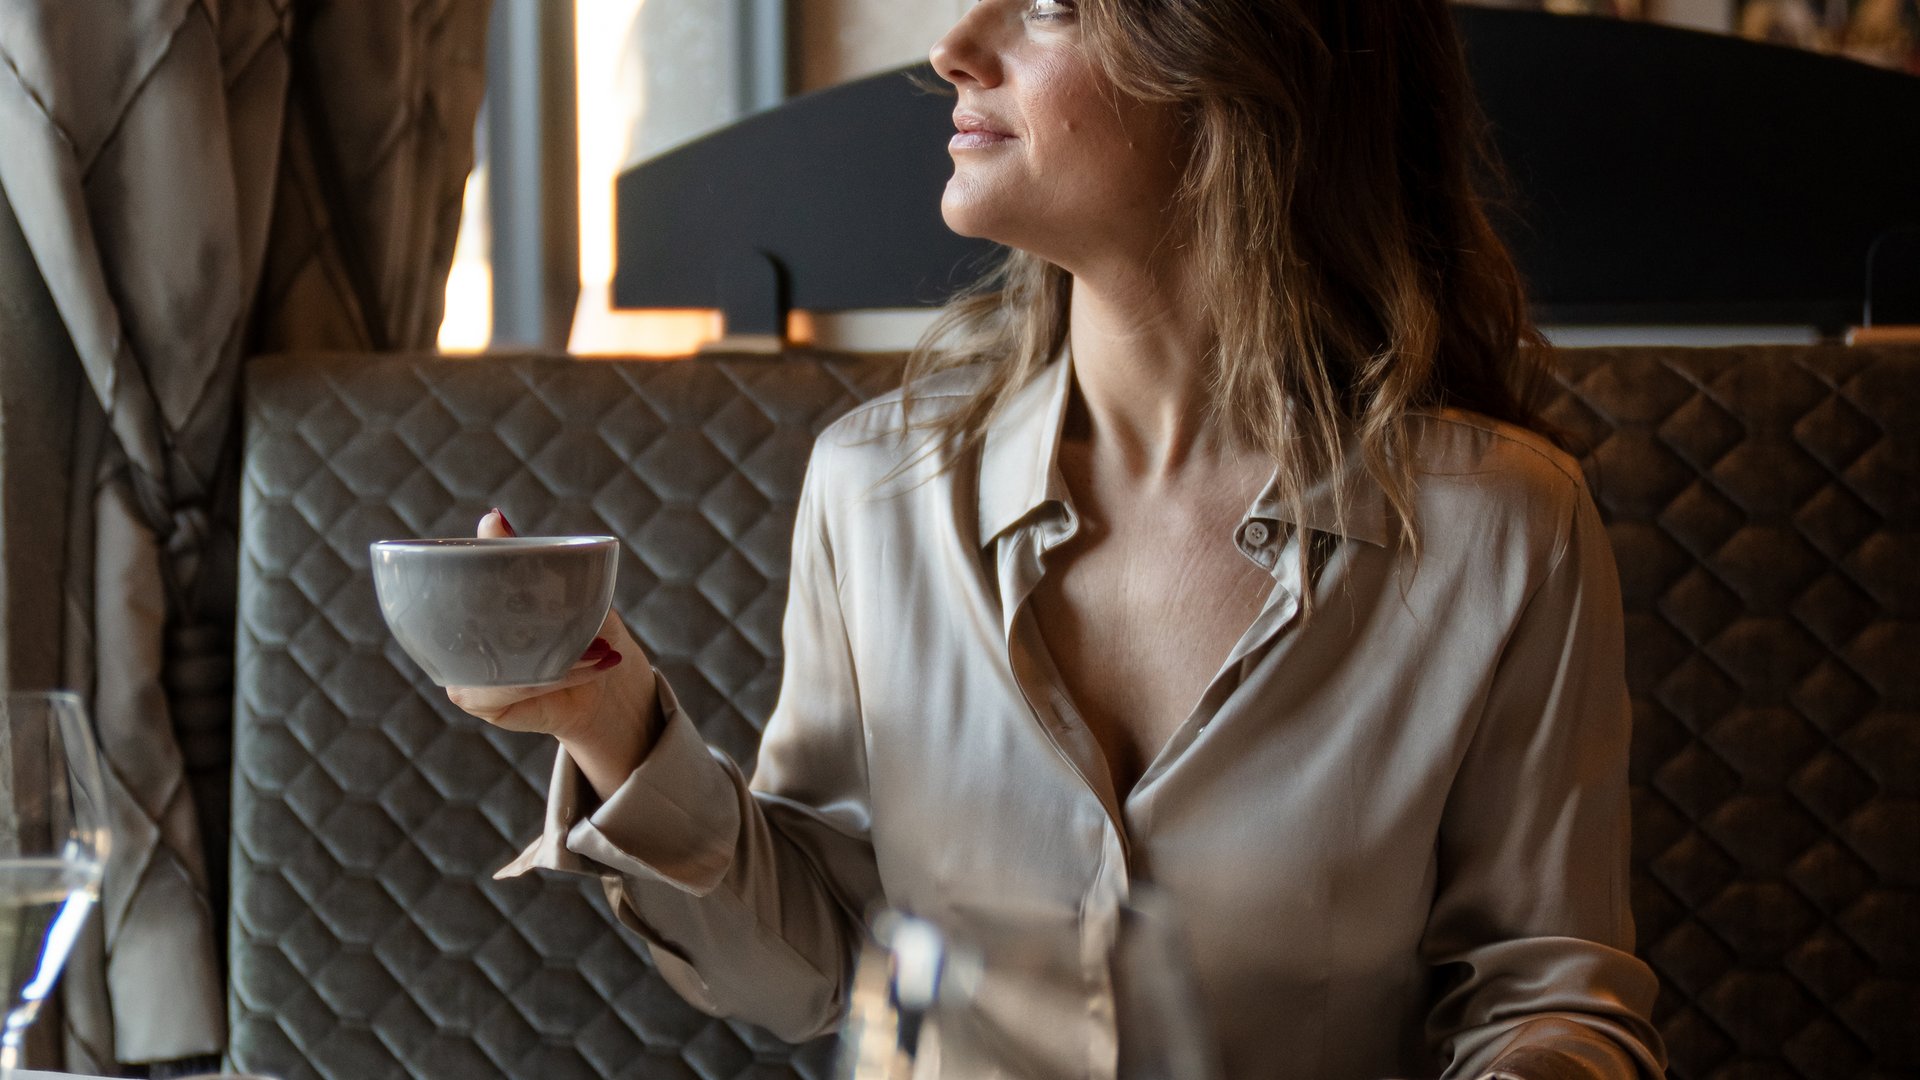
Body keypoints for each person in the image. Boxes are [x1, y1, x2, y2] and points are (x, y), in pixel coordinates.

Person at [459, 1, 1669, 1076]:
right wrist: (612, 729)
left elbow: (1545, 997)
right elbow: (815, 964)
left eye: (1047, 6)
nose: (953, 50)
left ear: (1236, 74)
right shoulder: (873, 486)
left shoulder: (1503, 531)